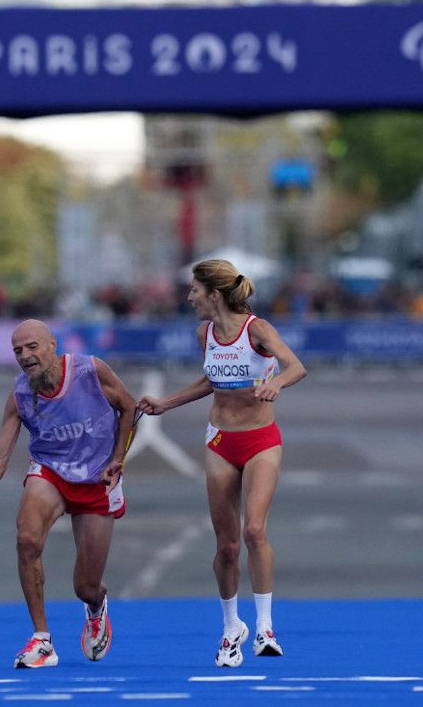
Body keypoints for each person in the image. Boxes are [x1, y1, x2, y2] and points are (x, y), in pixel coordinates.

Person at [0, 319, 138, 668]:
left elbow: (129, 407)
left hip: (98, 478)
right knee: (26, 539)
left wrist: (117, 459)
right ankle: (42, 641)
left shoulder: (89, 370)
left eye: (32, 347)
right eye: (17, 351)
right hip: (51, 471)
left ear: (53, 345)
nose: (25, 356)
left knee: (85, 586)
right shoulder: (20, 396)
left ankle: (96, 606)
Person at [138, 260, 306, 667]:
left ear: (215, 294)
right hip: (219, 441)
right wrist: (166, 403)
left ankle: (264, 627)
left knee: (253, 531)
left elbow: (296, 367)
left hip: (261, 440)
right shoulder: (204, 333)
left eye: (194, 290)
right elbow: (210, 381)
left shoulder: (257, 330)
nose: (189, 297)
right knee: (227, 545)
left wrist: (275, 384)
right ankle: (232, 628)